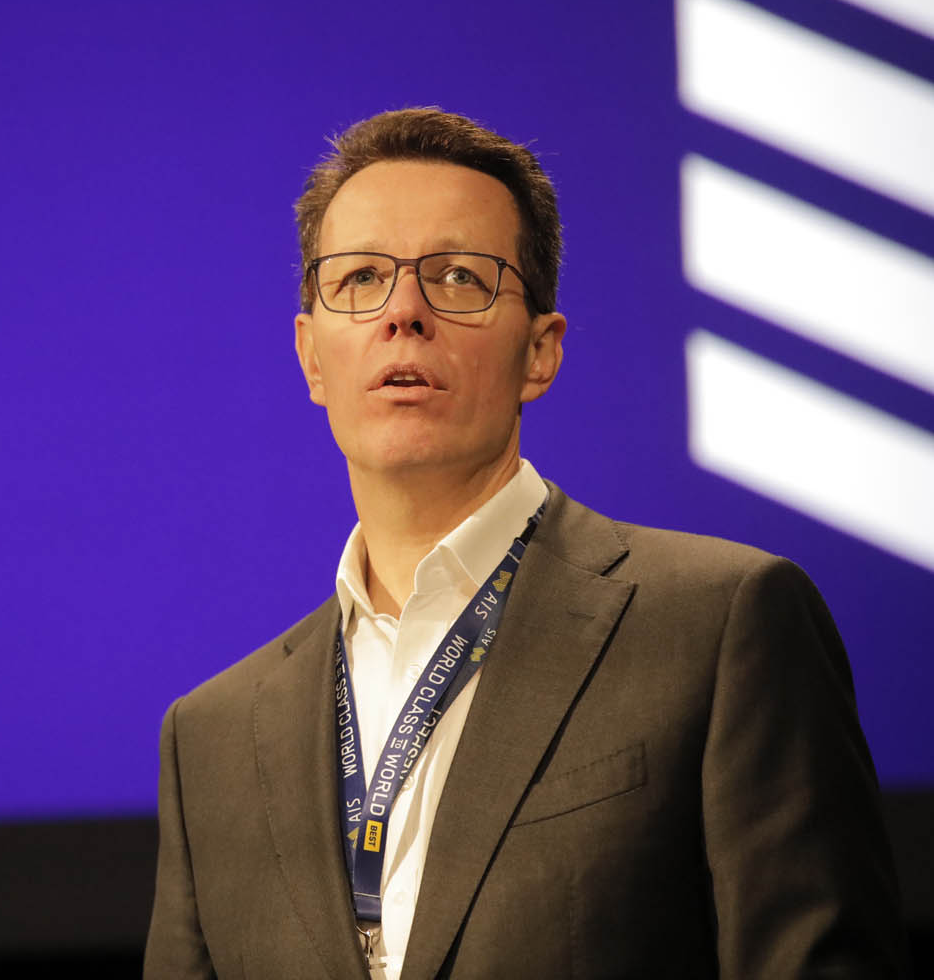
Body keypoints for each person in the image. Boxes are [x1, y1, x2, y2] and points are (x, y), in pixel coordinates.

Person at [143, 107, 907, 979]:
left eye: (459, 277)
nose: (403, 312)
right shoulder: (210, 738)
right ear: (313, 357)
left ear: (540, 352)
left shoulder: (721, 625)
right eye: (359, 278)